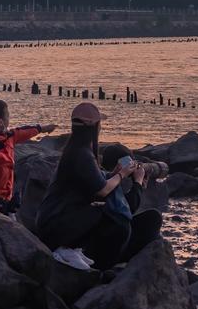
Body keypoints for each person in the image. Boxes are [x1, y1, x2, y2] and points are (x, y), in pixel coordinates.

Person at [35, 102, 162, 271]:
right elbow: (103, 191)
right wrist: (125, 176)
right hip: (57, 228)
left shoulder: (75, 151)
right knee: (113, 218)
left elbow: (96, 183)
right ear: (94, 127)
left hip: (55, 223)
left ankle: (73, 249)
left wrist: (113, 175)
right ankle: (68, 250)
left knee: (110, 216)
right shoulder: (82, 154)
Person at [0, 97, 56, 212]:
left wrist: (43, 128)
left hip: (6, 199)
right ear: (0, 122)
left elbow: (24, 131)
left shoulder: (8, 136)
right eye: (7, 115)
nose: (9, 118)